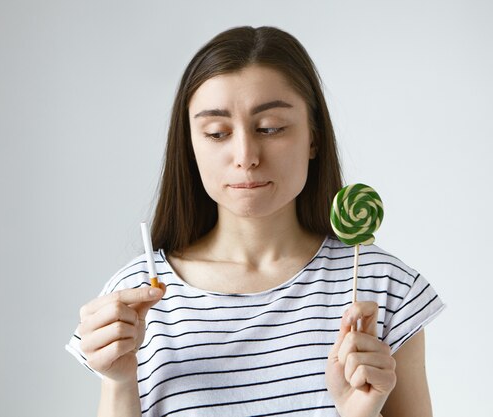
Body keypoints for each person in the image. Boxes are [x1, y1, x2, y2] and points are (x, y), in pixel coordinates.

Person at [66, 26, 445, 417]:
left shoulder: (379, 286)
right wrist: (119, 382)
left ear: (313, 137)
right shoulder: (136, 294)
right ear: (190, 144)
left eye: (270, 128)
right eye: (217, 133)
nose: (245, 155)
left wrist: (359, 414)